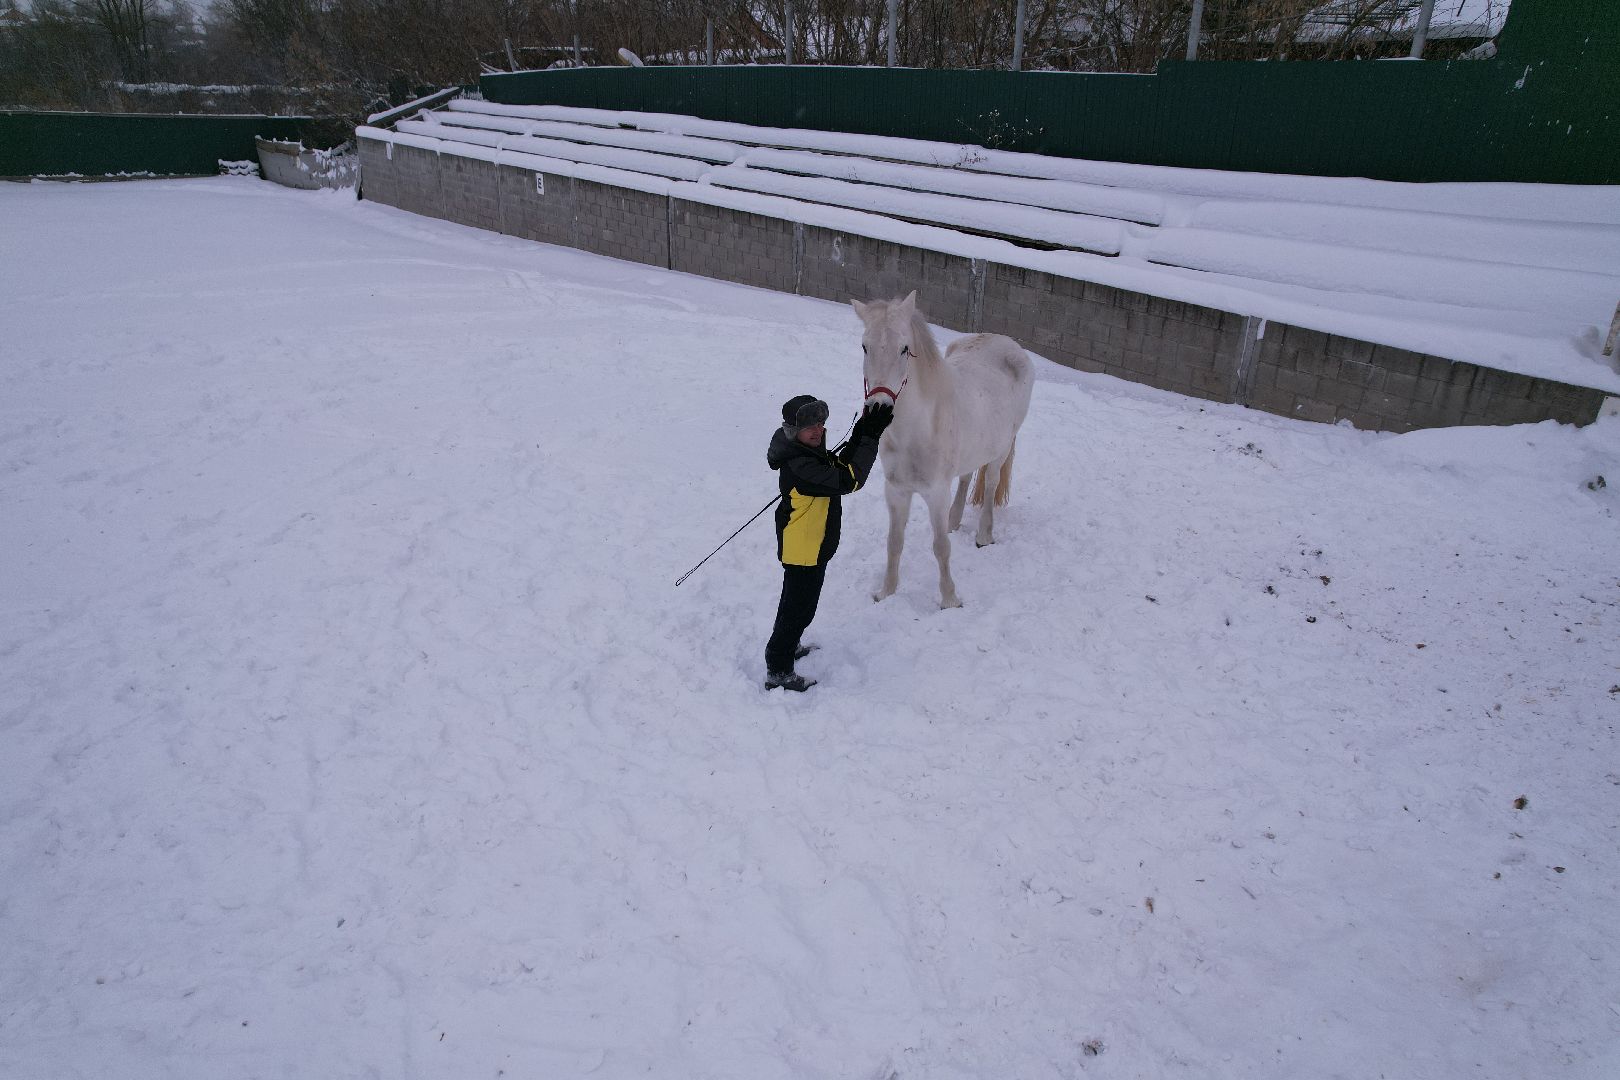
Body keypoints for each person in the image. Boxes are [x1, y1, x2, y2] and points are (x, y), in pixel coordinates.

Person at [763, 393, 894, 691]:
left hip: (813, 548)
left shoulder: (809, 455)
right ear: (793, 430)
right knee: (796, 610)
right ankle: (778, 669)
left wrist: (862, 431)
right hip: (803, 551)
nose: (818, 430)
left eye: (821, 423)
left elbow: (839, 466)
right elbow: (849, 480)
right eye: (810, 426)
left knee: (799, 607)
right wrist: (870, 439)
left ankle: (790, 644)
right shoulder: (801, 466)